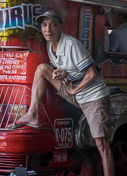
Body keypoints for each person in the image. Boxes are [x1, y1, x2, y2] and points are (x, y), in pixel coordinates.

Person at [9, 10, 115, 176]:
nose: (48, 29)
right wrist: (63, 73)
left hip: (94, 98)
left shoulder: (71, 44)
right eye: (44, 25)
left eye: (53, 25)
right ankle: (33, 114)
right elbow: (72, 69)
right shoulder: (50, 47)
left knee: (102, 145)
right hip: (76, 94)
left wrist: (73, 89)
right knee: (42, 69)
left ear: (60, 28)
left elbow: (92, 73)